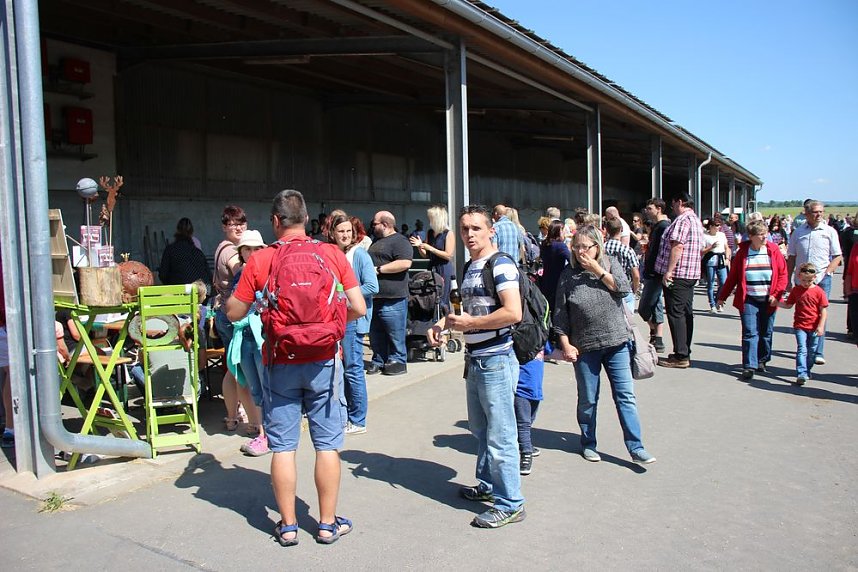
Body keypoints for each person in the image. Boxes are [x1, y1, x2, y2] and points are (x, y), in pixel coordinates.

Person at [226, 189, 366, 546]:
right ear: (306, 219)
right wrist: (329, 325)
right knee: (327, 445)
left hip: (280, 361)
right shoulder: (330, 253)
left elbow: (233, 312)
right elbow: (359, 307)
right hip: (324, 361)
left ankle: (288, 526)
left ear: (275, 221)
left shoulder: (262, 259)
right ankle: (327, 524)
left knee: (283, 447)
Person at [427, 205, 525, 529]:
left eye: (476, 228)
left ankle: (511, 504)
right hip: (476, 358)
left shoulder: (501, 264)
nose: (469, 234)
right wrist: (442, 324)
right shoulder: (471, 266)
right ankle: (487, 485)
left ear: (491, 231)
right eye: (465, 228)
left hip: (496, 359)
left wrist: (472, 324)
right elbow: (462, 311)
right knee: (481, 431)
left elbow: (513, 312)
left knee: (501, 435)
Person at [553, 225, 655, 466]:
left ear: (597, 247)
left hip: (616, 342)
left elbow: (624, 289)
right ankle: (588, 442)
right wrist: (565, 344)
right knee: (588, 398)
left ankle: (636, 447)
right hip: (585, 347)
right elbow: (560, 314)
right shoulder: (568, 275)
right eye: (576, 247)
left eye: (585, 247)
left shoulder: (610, 263)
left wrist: (597, 270)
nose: (580, 252)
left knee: (625, 396)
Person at [716, 220, 788, 380]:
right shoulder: (743, 253)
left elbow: (783, 275)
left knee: (766, 332)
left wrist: (776, 294)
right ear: (751, 236)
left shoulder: (773, 250)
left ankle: (762, 360)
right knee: (749, 332)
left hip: (769, 299)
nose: (764, 237)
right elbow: (733, 277)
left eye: (765, 234)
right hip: (749, 298)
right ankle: (749, 365)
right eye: (760, 234)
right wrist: (722, 297)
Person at [330, 213, 378, 435]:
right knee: (339, 369)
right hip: (336, 319)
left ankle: (358, 420)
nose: (345, 235)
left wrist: (347, 297)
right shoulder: (332, 253)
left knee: (353, 369)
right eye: (341, 231)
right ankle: (343, 414)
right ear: (333, 233)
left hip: (353, 320)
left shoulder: (359, 255)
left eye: (349, 231)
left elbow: (372, 286)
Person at [227, 230, 270, 456]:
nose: (252, 253)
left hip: (261, 336)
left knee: (267, 386)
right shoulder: (238, 276)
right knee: (255, 388)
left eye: (256, 249)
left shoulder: (268, 273)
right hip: (243, 336)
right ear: (241, 252)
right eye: (247, 249)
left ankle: (268, 435)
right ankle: (263, 433)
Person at [786, 200, 843, 365]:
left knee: (820, 313)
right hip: (802, 281)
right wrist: (788, 279)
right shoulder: (798, 233)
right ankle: (804, 348)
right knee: (803, 313)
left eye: (821, 212)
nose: (818, 215)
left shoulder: (829, 231)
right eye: (815, 212)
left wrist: (828, 272)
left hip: (821, 279)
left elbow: (837, 256)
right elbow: (792, 257)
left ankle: (818, 351)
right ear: (806, 213)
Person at [655, 194, 704, 369]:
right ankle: (684, 351)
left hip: (679, 274)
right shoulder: (695, 220)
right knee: (685, 313)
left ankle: (681, 355)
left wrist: (669, 271)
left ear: (680, 202)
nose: (672, 207)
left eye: (673, 203)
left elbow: (677, 245)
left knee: (676, 314)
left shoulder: (682, 220)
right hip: (690, 273)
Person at [212, 205, 247, 430]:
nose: (238, 228)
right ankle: (239, 412)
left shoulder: (223, 247)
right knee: (239, 368)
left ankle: (233, 414)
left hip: (223, 313)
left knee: (232, 367)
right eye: (233, 224)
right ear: (224, 226)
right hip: (231, 315)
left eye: (241, 223)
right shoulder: (230, 251)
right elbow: (241, 274)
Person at [367, 210, 413, 376]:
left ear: (385, 224)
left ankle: (398, 361)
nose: (372, 227)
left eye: (374, 224)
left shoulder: (400, 241)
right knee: (376, 333)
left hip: (393, 297)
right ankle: (378, 360)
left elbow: (405, 263)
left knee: (395, 333)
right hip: (375, 296)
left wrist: (378, 270)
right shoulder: (376, 241)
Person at [779, 263, 829, 385]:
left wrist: (821, 326)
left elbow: (823, 311)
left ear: (814, 278)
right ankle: (801, 373)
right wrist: (776, 303)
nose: (806, 283)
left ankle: (807, 369)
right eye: (803, 280)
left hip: (814, 326)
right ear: (799, 277)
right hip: (800, 325)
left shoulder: (819, 292)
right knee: (802, 349)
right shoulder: (796, 290)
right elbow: (789, 305)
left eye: (809, 281)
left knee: (812, 350)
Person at [638, 199, 670, 352]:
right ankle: (658, 337)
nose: (647, 211)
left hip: (656, 272)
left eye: (649, 208)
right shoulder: (658, 226)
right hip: (652, 270)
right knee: (656, 304)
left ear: (659, 209)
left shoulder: (663, 226)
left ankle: (655, 333)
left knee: (644, 307)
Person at [410, 205, 454, 312]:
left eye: (431, 218)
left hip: (444, 268)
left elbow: (448, 255)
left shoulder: (448, 233)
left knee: (443, 297)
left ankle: (444, 317)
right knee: (431, 295)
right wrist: (420, 246)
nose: (429, 221)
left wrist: (430, 248)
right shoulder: (430, 233)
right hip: (432, 267)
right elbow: (426, 255)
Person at [159, 217, 211, 291]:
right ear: (192, 232)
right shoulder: (198, 252)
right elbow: (209, 276)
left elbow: (163, 275)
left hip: (180, 292)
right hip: (202, 292)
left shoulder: (170, 250)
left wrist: (171, 287)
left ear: (177, 231)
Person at [515, 352, 544, 476]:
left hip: (535, 390)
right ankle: (526, 453)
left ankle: (524, 445)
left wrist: (568, 353)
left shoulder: (541, 342)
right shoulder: (519, 342)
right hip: (521, 389)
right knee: (523, 423)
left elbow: (550, 352)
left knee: (530, 419)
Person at [604, 218, 639, 312]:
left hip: (606, 288)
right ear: (621, 229)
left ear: (607, 230)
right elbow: (636, 275)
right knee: (627, 319)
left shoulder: (601, 248)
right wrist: (634, 290)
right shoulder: (628, 250)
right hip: (625, 288)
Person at [537, 220, 571, 309]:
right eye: (564, 231)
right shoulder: (560, 246)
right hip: (558, 281)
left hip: (546, 280)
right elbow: (572, 261)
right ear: (559, 232)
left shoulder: (544, 244)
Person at [701, 220, 731, 312]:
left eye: (719, 225)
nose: (718, 227)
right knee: (710, 283)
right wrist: (711, 247)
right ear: (710, 226)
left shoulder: (721, 235)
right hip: (710, 259)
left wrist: (727, 258)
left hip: (721, 259)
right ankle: (712, 304)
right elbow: (702, 251)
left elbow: (726, 247)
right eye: (716, 225)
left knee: (724, 283)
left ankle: (718, 300)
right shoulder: (705, 236)